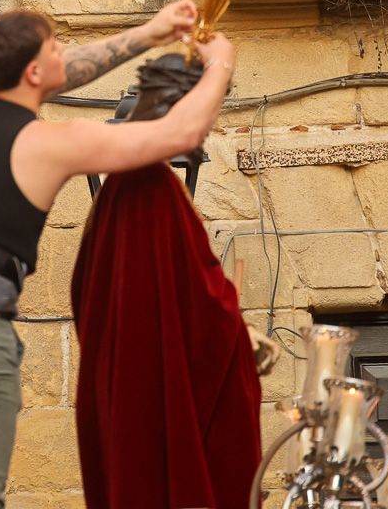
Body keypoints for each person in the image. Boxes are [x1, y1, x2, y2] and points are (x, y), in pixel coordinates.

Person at [0, 1, 234, 509]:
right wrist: (221, 65)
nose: (66, 51)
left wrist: (153, 31)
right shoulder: (52, 142)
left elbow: (55, 75)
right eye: (55, 44)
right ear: (34, 70)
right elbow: (179, 135)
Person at [70, 48, 265, 509]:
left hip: (128, 397)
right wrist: (240, 335)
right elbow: (199, 307)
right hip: (154, 404)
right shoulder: (152, 191)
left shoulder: (119, 189)